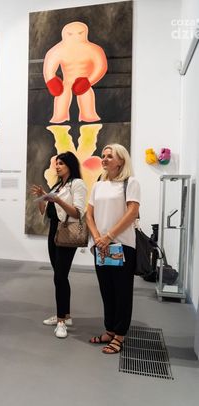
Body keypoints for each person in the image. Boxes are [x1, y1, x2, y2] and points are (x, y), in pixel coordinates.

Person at [85, 143, 140, 354]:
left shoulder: (130, 182)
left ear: (121, 161)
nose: (104, 159)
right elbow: (89, 215)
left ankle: (119, 335)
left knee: (122, 292)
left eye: (110, 156)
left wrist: (108, 236)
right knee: (106, 290)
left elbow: (132, 212)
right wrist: (97, 237)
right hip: (101, 246)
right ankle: (109, 330)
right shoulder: (98, 184)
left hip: (122, 246)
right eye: (103, 155)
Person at [30, 151, 87, 339]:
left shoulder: (77, 184)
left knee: (60, 277)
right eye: (56, 163)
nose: (57, 166)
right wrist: (42, 197)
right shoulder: (57, 185)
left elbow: (78, 213)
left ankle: (61, 321)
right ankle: (66, 315)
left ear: (70, 165)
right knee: (59, 276)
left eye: (61, 163)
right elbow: (44, 211)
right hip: (53, 232)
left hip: (67, 232)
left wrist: (58, 200)